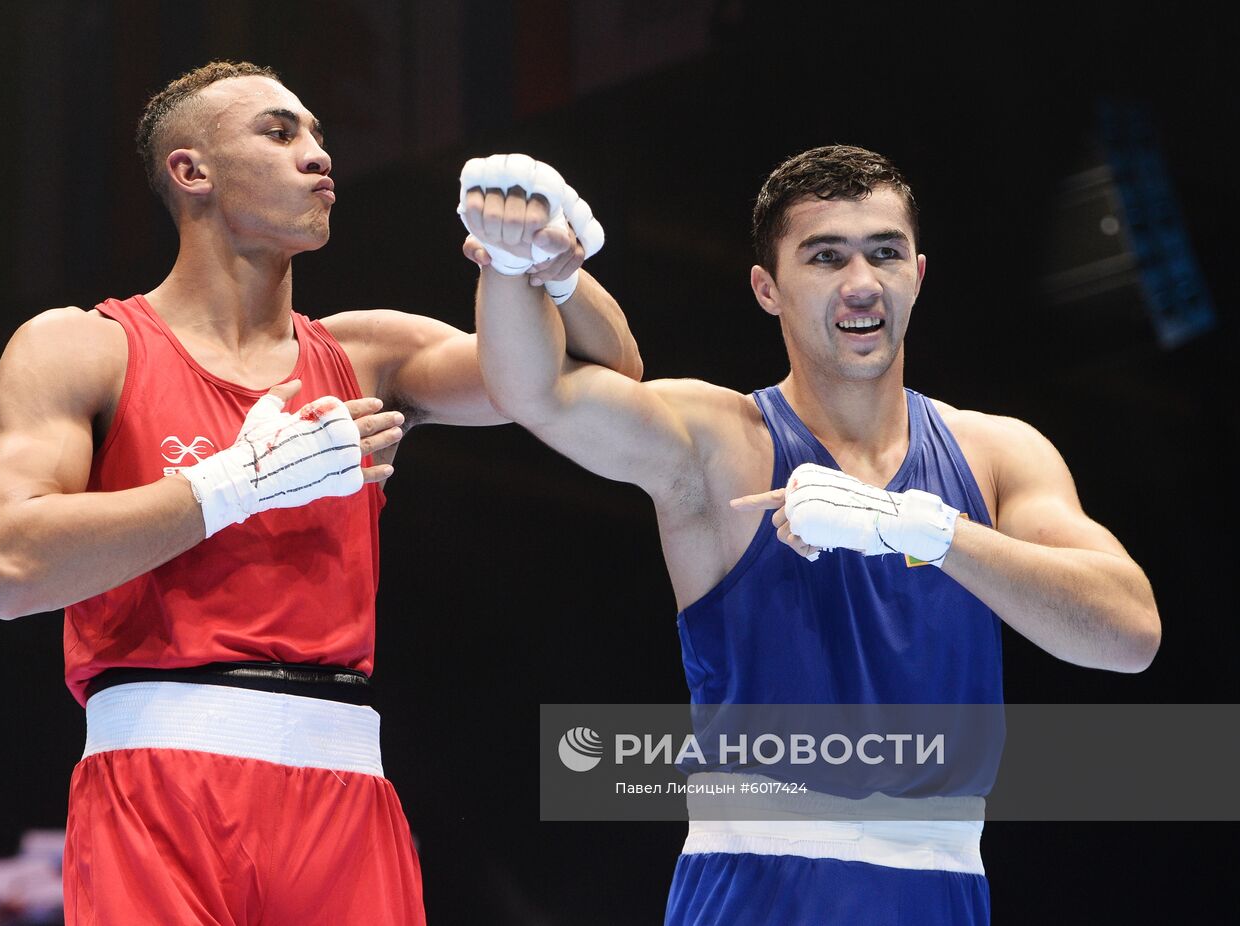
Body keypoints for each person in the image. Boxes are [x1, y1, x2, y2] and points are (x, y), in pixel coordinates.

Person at [0, 60, 640, 925]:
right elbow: (8, 567)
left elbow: (605, 379)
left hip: (346, 789)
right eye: (281, 133)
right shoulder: (82, 348)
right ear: (191, 171)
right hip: (160, 790)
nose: (320, 156)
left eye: (320, 136)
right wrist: (232, 485)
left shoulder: (365, 356)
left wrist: (548, 269)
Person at [467, 144, 1160, 924]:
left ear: (918, 276)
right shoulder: (723, 441)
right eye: (825, 257)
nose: (861, 284)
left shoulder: (996, 455)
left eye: (884, 253)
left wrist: (916, 527)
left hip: (940, 890)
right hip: (758, 886)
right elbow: (537, 393)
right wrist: (510, 260)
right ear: (768, 288)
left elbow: (1129, 633)